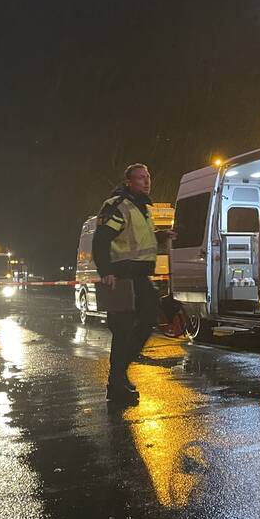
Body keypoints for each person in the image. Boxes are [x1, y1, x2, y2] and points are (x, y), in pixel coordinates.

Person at [91, 163, 173, 404]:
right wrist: (106, 271)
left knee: (147, 323)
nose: (146, 181)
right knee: (123, 331)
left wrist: (161, 237)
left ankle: (118, 377)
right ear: (128, 182)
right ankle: (116, 383)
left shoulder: (143, 208)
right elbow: (101, 240)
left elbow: (137, 240)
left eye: (148, 176)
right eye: (140, 177)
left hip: (140, 276)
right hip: (123, 276)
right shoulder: (118, 206)